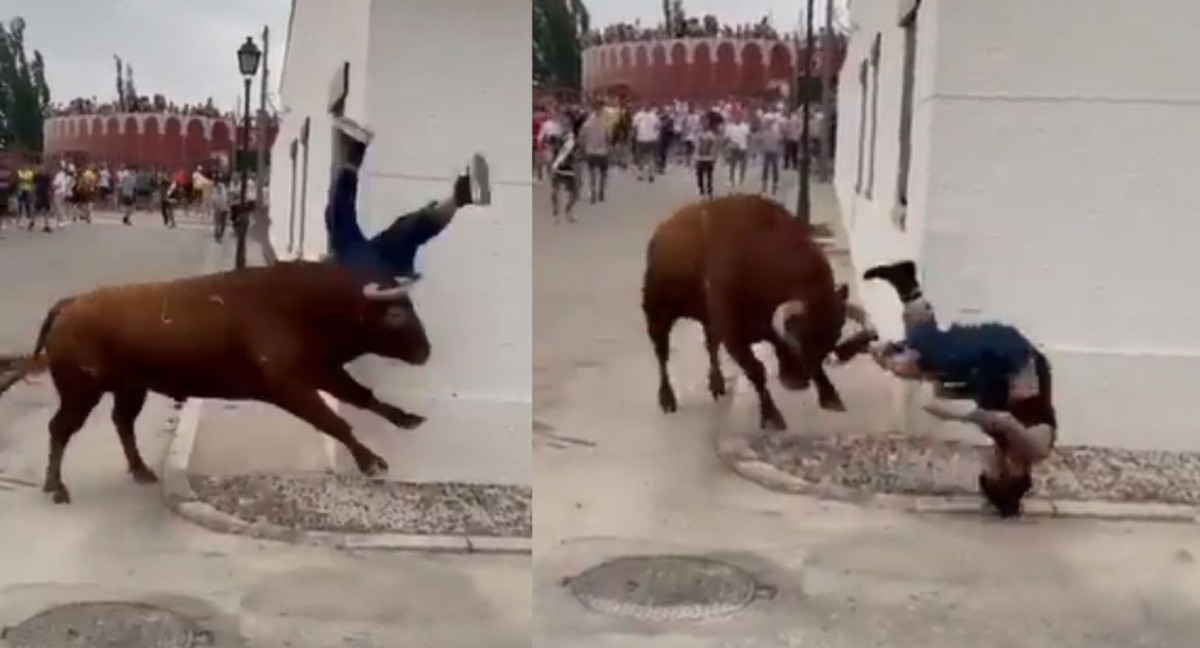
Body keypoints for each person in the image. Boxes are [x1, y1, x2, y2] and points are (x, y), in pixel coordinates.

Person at [862, 260, 1056, 518]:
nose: (989, 462)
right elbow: (1003, 420)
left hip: (992, 370)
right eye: (993, 471)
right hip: (1011, 355)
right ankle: (907, 286)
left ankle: (882, 339)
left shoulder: (1006, 446)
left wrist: (932, 384)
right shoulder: (1035, 449)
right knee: (933, 353)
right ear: (1010, 475)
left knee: (913, 365)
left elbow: (988, 411)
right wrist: (954, 413)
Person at [325, 116, 491, 283]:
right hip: (365, 277)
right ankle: (355, 152)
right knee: (341, 223)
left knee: (405, 231)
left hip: (381, 272)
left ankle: (462, 196)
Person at [580, 102, 610, 204]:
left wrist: (583, 148)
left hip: (591, 151)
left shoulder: (588, 122)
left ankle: (593, 193)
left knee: (592, 173)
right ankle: (600, 191)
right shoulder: (606, 122)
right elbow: (609, 137)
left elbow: (582, 136)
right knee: (603, 173)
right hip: (602, 151)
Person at [693, 111, 719, 199]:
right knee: (699, 175)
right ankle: (701, 190)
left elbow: (714, 146)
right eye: (703, 122)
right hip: (700, 158)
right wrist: (695, 156)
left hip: (709, 158)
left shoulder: (712, 134)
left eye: (706, 122)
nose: (705, 124)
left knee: (709, 175)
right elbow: (696, 146)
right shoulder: (698, 134)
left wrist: (714, 157)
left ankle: (709, 190)